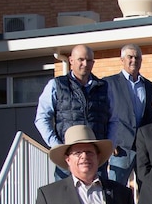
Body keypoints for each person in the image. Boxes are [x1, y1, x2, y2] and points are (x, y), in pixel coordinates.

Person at [34, 44, 114, 180]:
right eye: (81, 60)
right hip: (68, 159)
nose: (85, 64)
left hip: (95, 159)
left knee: (99, 199)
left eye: (89, 60)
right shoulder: (56, 85)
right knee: (66, 199)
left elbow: (115, 119)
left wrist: (109, 144)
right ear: (71, 60)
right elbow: (42, 118)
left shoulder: (104, 87)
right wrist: (57, 146)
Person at [104, 43, 152, 186]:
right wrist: (109, 141)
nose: (134, 60)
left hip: (144, 148)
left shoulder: (150, 87)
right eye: (130, 57)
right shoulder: (108, 84)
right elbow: (102, 115)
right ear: (122, 59)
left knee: (147, 190)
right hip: (120, 147)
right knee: (116, 189)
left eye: (137, 57)